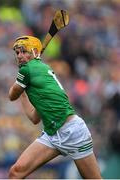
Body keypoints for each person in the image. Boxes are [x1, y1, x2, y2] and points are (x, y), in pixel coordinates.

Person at [8, 35, 102, 179]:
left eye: (24, 51)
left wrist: (20, 88)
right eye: (17, 53)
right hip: (52, 134)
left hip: (72, 132)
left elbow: (11, 95)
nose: (20, 56)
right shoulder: (41, 70)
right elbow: (34, 118)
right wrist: (23, 94)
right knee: (16, 172)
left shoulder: (27, 71)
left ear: (34, 52)